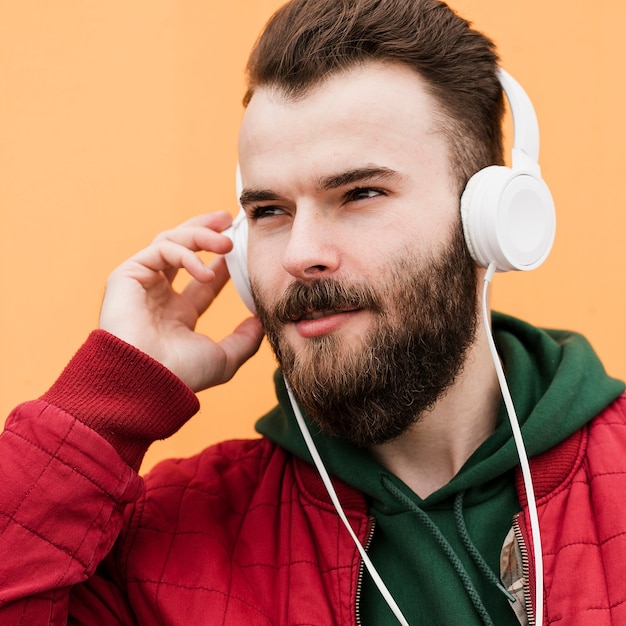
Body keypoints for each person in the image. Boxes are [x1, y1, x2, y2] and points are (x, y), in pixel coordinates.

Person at [1, 0, 625, 624]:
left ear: (487, 222)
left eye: (360, 194)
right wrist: (110, 402)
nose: (300, 255)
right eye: (269, 210)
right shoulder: (161, 548)